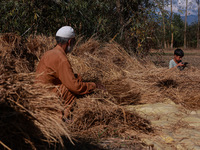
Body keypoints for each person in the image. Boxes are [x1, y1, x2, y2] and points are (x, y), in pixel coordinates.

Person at [35, 26, 96, 120]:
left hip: (37, 93)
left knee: (75, 78)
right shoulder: (61, 59)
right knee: (70, 90)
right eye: (74, 42)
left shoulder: (49, 53)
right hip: (48, 97)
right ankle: (62, 118)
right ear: (70, 42)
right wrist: (93, 86)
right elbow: (76, 87)